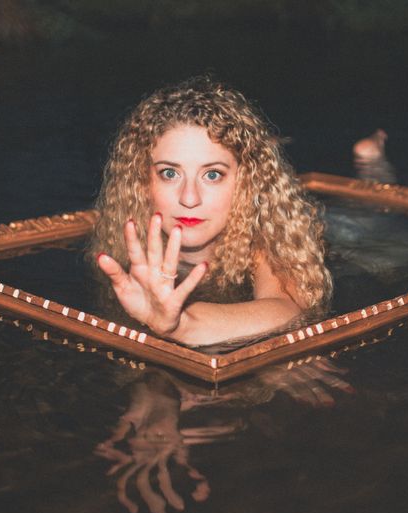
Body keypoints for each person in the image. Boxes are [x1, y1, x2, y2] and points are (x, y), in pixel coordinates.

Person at [89, 77, 332, 347]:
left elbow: (286, 308)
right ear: (142, 182)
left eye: (212, 174)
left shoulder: (264, 243)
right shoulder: (123, 251)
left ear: (245, 182)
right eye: (169, 173)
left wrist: (181, 324)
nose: (189, 198)